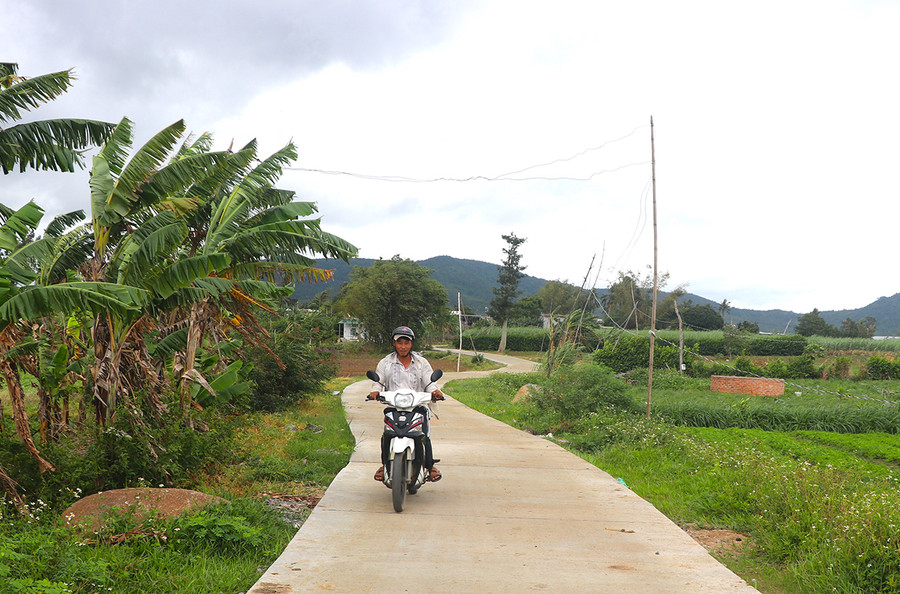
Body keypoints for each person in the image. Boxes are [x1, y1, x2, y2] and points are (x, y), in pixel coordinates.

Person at [368, 326, 445, 482]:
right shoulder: (386, 363)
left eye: (406, 343)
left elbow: (429, 381)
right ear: (394, 343)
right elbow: (379, 381)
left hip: (417, 406)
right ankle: (385, 464)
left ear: (412, 344)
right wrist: (375, 391)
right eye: (399, 342)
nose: (403, 346)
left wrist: (435, 391)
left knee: (424, 435)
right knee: (387, 434)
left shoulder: (421, 363)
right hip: (393, 405)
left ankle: (430, 467)